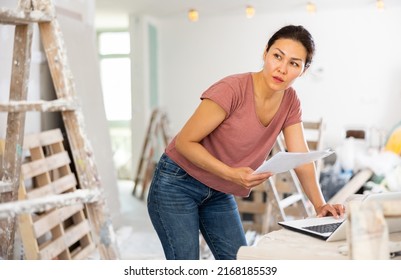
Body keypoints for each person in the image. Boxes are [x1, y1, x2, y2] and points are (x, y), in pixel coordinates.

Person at [147, 24, 345, 260]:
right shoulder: (232, 89)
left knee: (241, 263)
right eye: (277, 56)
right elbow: (184, 143)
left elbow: (301, 158)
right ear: (265, 53)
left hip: (218, 190)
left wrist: (320, 204)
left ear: (303, 70)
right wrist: (231, 174)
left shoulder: (290, 101)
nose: (281, 68)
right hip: (177, 183)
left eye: (293, 63)